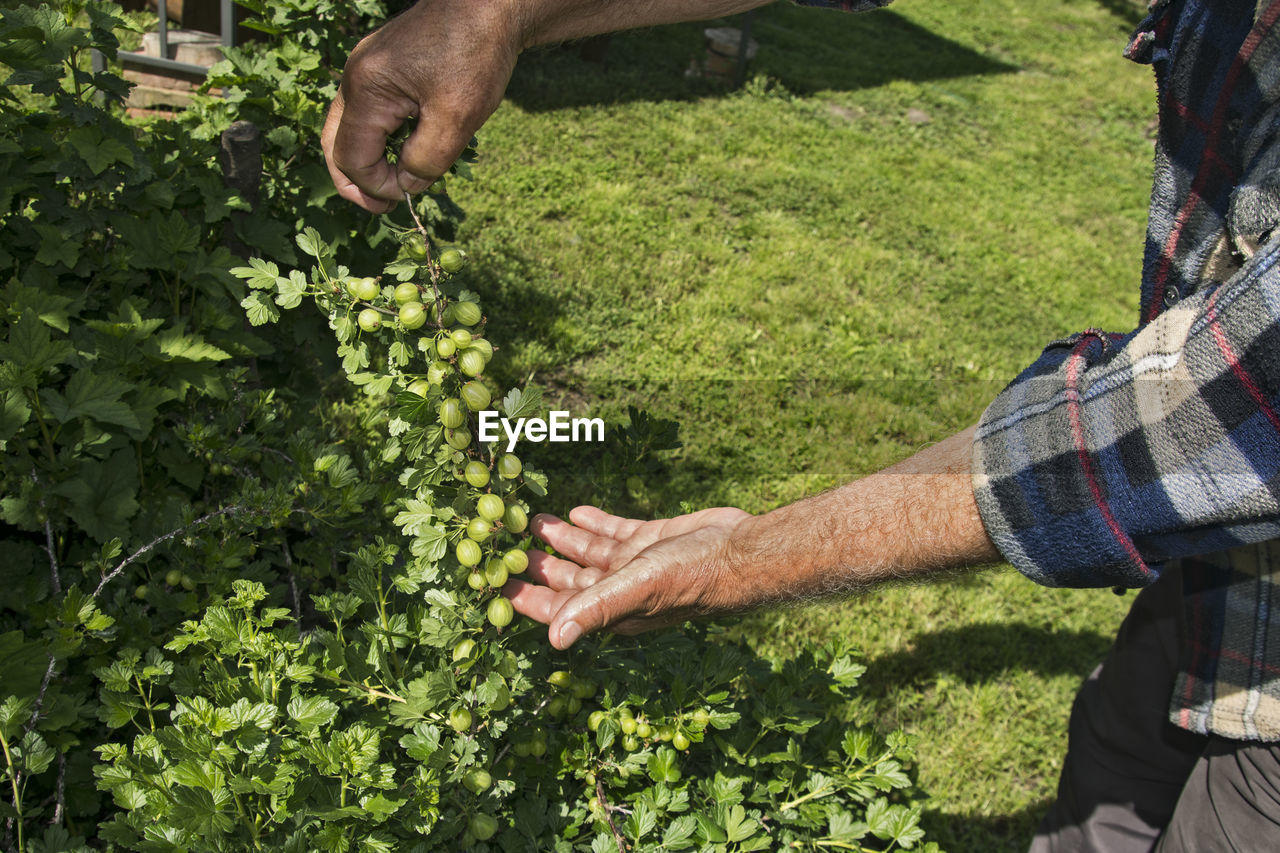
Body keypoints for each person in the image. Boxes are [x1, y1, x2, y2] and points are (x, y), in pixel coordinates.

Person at [322, 0, 1280, 848]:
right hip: (1222, 568)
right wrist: (502, 13)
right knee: (1113, 766)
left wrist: (748, 558)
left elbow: (1193, 425)